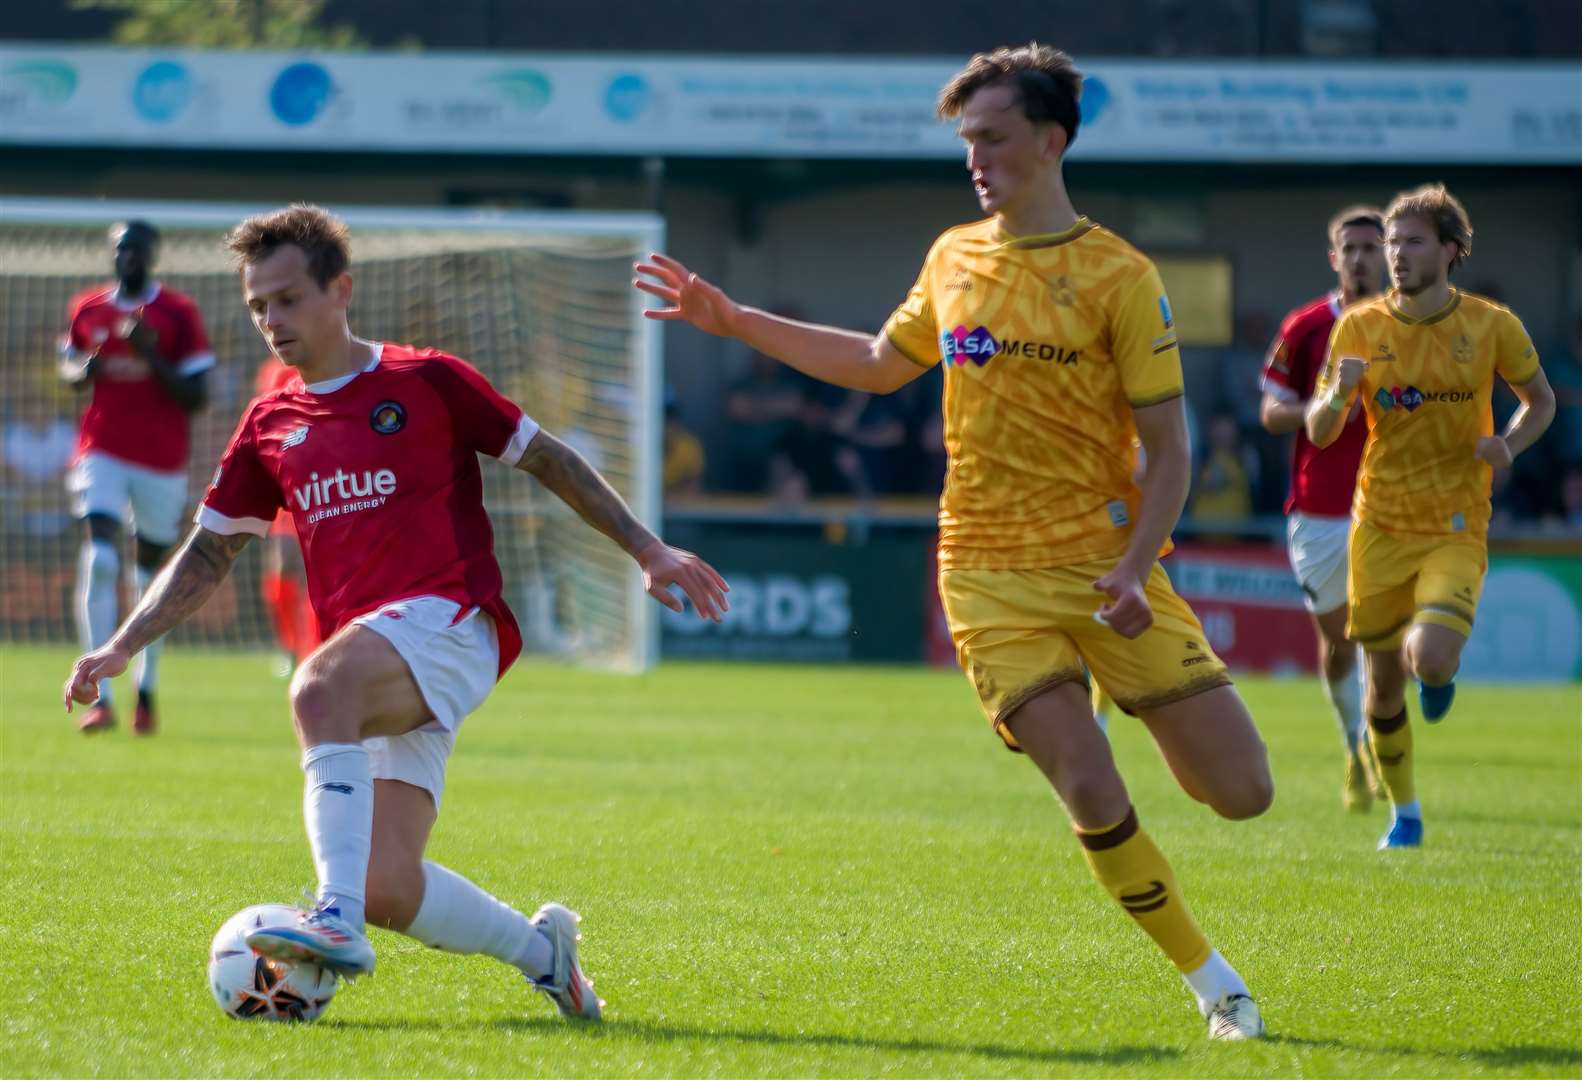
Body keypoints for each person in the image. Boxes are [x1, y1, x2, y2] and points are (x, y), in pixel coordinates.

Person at [635, 43, 1271, 1040]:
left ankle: (1111, 679)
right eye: (966, 140)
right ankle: (1215, 987)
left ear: (1051, 141)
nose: (974, 157)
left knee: (1240, 793)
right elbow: (883, 364)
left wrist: (1138, 567)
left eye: (993, 137)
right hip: (983, 574)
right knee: (1091, 787)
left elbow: (1169, 450)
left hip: (1108, 573)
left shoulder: (1119, 276)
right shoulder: (952, 256)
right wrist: (731, 318)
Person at [63, 205, 729, 1018]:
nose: (273, 320)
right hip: (376, 651)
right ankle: (542, 952)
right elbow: (208, 553)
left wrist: (648, 549)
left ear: (340, 291)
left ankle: (333, 920)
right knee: (386, 880)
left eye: (288, 299)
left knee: (315, 692)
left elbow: (546, 457)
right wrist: (120, 646)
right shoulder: (270, 424)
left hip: (454, 621)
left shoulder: (426, 381)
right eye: (258, 307)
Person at [1306, 183, 1555, 850]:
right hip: (1378, 524)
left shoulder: (1490, 324)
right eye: (1391, 243)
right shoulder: (1359, 327)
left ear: (1449, 250)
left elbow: (1541, 401)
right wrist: (1336, 395)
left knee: (1432, 659)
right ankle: (1406, 814)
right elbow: (1322, 431)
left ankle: (1439, 675)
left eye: (1412, 241)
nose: (1396, 254)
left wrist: (1510, 442)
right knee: (1381, 690)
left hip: (1454, 520)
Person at [59, 220, 213, 735]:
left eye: (137, 248)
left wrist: (149, 352)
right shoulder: (88, 309)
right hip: (101, 451)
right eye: (120, 248)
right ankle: (97, 696)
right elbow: (71, 369)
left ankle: (145, 690)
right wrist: (87, 370)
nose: (128, 256)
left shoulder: (178, 313)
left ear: (152, 254)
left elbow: (196, 396)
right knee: (101, 559)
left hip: (161, 460)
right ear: (112, 254)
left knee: (151, 581)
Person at [1259, 205, 1388, 812]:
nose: (1363, 258)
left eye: (1373, 247)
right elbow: (1271, 411)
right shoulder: (1308, 326)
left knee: (1393, 636)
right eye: (1351, 248)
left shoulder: (1411, 326)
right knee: (1339, 642)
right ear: (1335, 257)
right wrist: (1318, 406)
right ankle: (1354, 746)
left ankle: (1386, 747)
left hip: (1394, 505)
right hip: (1320, 510)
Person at [253, 356, 319, 675]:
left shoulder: (332, 363)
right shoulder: (273, 371)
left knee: (311, 571)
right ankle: (289, 644)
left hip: (323, 481)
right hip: (286, 482)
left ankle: (312, 648)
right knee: (283, 568)